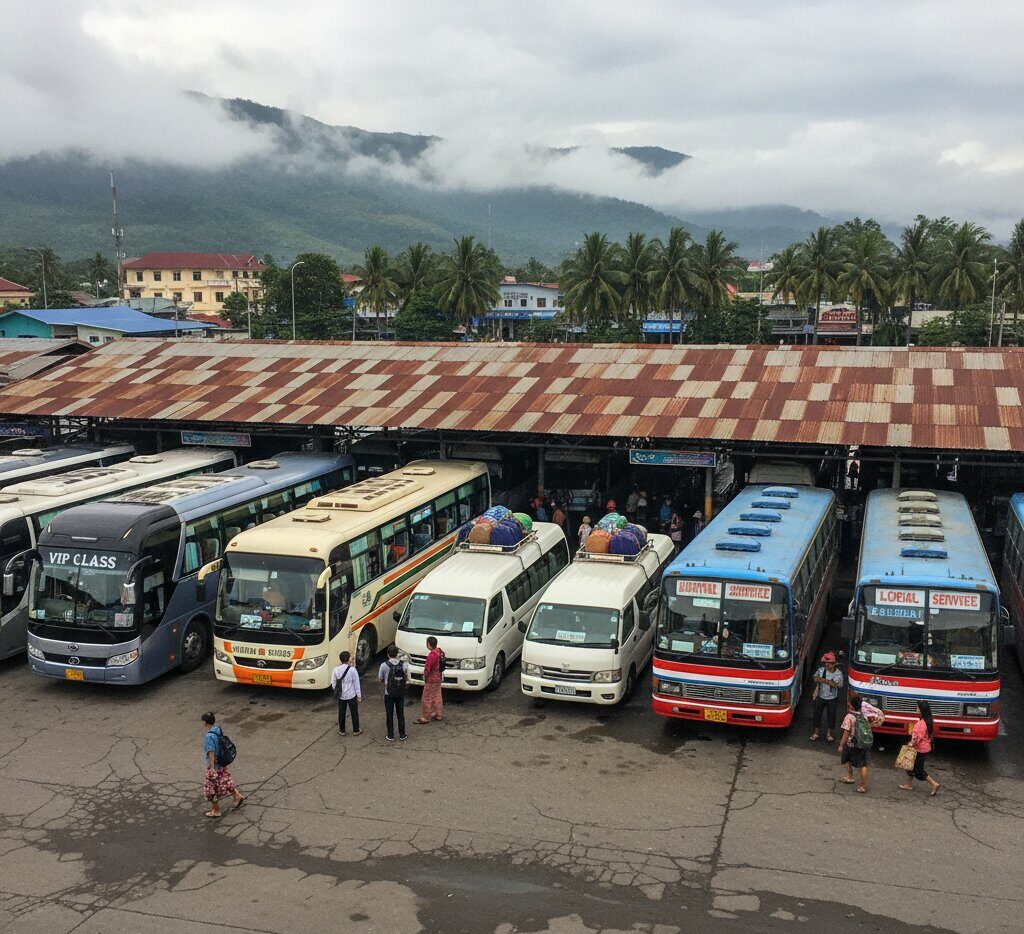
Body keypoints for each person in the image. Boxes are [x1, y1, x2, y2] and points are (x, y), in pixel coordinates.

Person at [838, 694, 884, 793]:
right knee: (863, 764)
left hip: (851, 743)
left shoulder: (849, 716)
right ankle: (862, 786)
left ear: (851, 705)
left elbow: (846, 732)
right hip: (863, 742)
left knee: (845, 759)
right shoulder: (865, 714)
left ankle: (850, 777)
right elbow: (878, 718)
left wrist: (841, 745)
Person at [201, 712, 243, 818]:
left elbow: (211, 752)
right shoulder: (217, 730)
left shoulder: (209, 736)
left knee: (210, 789)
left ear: (205, 722)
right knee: (225, 781)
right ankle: (237, 795)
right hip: (221, 763)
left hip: (214, 766)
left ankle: (216, 810)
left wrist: (212, 768)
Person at [900, 700, 941, 796]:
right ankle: (908, 784)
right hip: (925, 748)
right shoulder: (928, 720)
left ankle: (934, 784)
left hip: (919, 749)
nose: (916, 708)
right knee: (911, 766)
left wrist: (911, 744)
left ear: (922, 709)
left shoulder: (921, 723)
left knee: (918, 770)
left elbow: (918, 738)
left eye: (918, 707)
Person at [809, 652, 844, 742]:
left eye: (828, 663)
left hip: (832, 698)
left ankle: (829, 734)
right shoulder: (821, 670)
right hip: (820, 696)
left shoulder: (838, 674)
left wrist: (823, 680)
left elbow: (838, 685)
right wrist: (826, 681)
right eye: (826, 663)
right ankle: (816, 733)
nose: (826, 665)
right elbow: (815, 678)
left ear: (834, 665)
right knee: (817, 715)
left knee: (831, 716)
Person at [377, 645, 408, 742]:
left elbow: (380, 678)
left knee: (389, 714)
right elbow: (407, 677)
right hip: (400, 692)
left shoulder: (384, 665)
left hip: (388, 692)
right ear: (397, 653)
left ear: (388, 654)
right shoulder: (404, 664)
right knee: (400, 713)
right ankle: (402, 734)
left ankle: (390, 735)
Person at [330, 650, 362, 736]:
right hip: (351, 695)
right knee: (354, 713)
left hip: (341, 695)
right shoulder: (352, 670)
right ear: (348, 659)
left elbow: (333, 682)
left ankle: (342, 730)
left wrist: (337, 691)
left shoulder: (336, 670)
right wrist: (359, 695)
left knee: (341, 712)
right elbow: (356, 684)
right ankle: (356, 730)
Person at [417, 636, 444, 724]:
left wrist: (425, 677)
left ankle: (426, 716)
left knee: (426, 698)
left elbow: (427, 668)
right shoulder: (440, 652)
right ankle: (438, 713)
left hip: (431, 679)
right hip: (438, 677)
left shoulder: (432, 655)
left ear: (429, 644)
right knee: (437, 696)